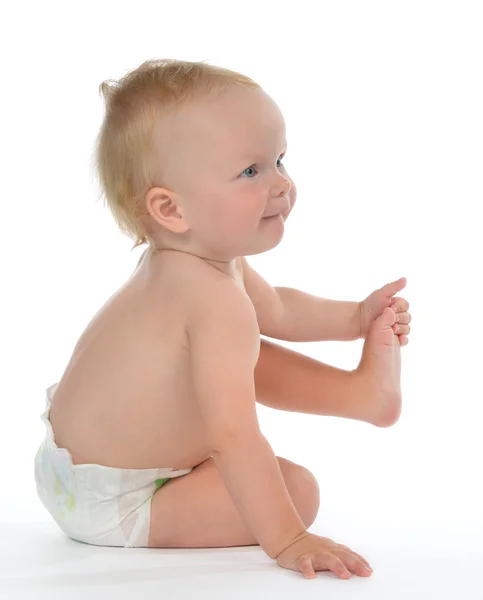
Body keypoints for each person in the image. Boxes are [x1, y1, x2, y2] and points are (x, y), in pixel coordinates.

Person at [34, 58, 411, 580]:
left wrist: (355, 316)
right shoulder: (212, 300)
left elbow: (277, 308)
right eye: (251, 171)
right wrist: (288, 537)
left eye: (280, 160)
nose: (281, 183)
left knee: (230, 358)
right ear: (171, 209)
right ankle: (357, 400)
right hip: (116, 503)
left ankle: (361, 394)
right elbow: (232, 436)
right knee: (298, 490)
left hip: (75, 469)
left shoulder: (201, 265)